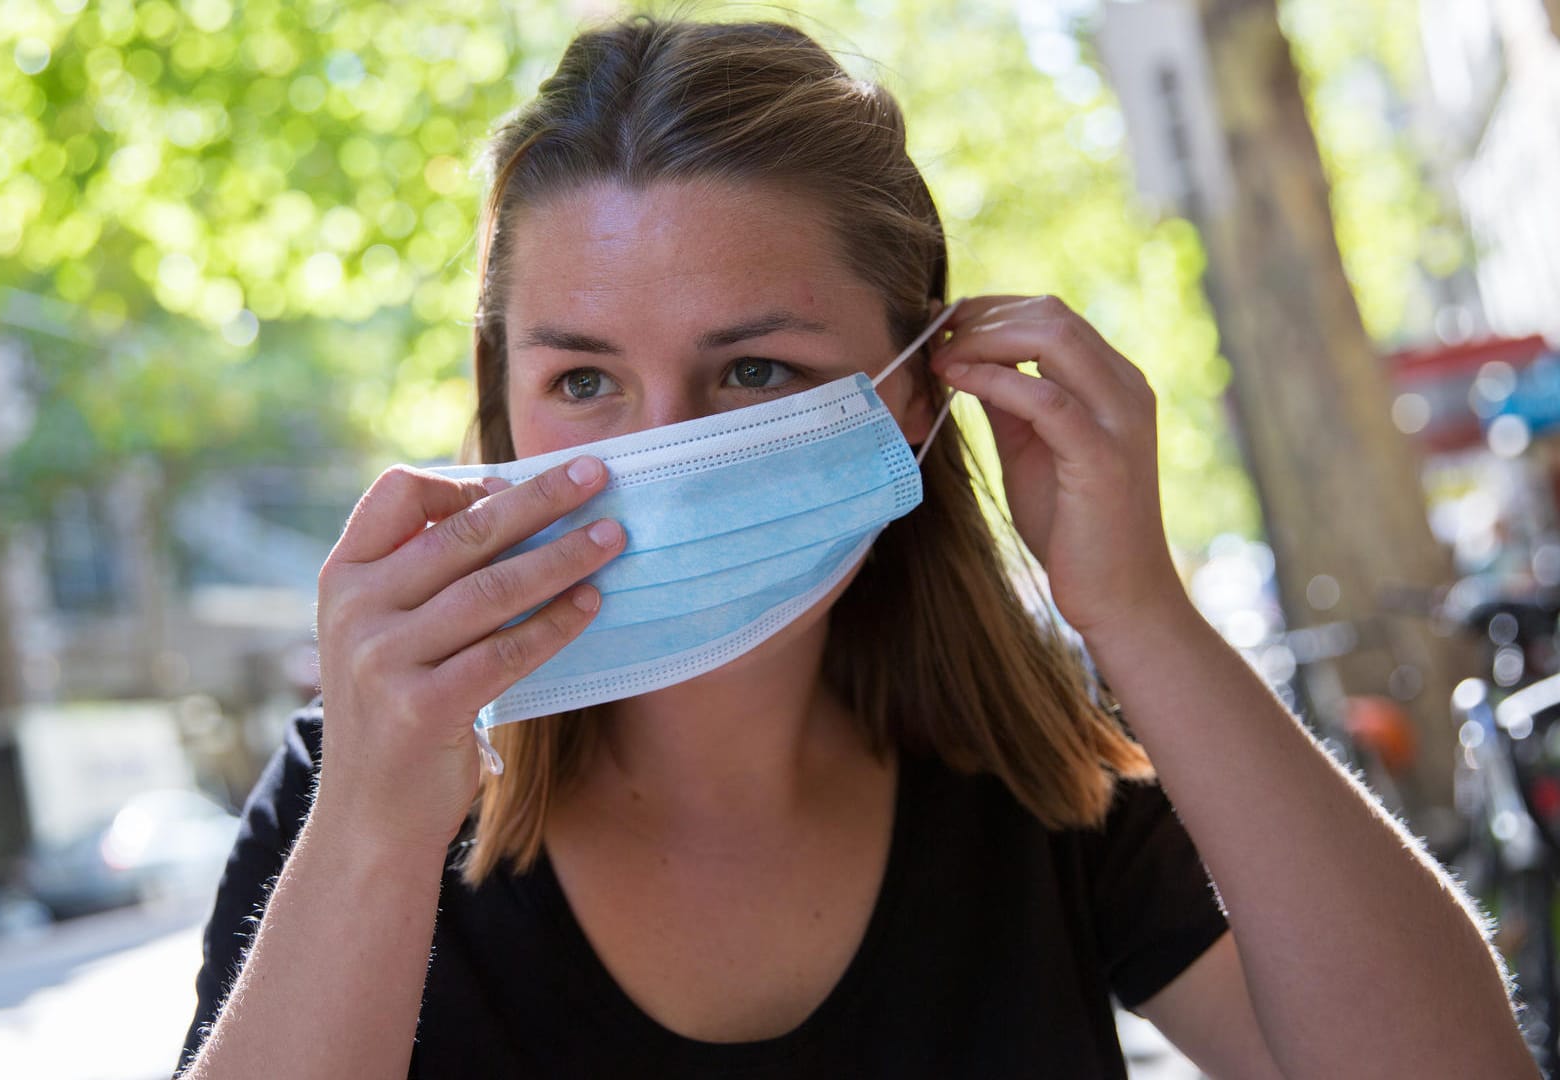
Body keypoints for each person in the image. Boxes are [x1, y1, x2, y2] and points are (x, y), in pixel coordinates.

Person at [176, 16, 1532, 1079]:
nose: (665, 446)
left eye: (753, 370)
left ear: (920, 389)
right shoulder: (357, 794)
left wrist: (1145, 617)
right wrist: (369, 827)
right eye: (585, 382)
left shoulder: (1041, 777)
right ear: (501, 402)